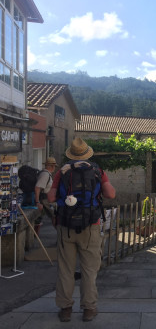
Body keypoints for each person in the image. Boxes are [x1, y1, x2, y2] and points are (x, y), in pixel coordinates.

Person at [47, 137, 116, 322]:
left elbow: (51, 198)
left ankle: (66, 309)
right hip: (91, 226)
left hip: (65, 226)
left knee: (66, 269)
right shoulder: (97, 171)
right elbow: (110, 194)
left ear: (70, 154)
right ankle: (89, 309)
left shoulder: (62, 172)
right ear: (88, 153)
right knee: (89, 270)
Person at [34, 157, 57, 228]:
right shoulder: (45, 175)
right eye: (54, 166)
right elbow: (37, 187)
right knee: (55, 216)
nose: (55, 168)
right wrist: (37, 202)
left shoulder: (46, 174)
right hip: (44, 199)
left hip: (45, 199)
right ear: (52, 166)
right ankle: (59, 233)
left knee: (54, 216)